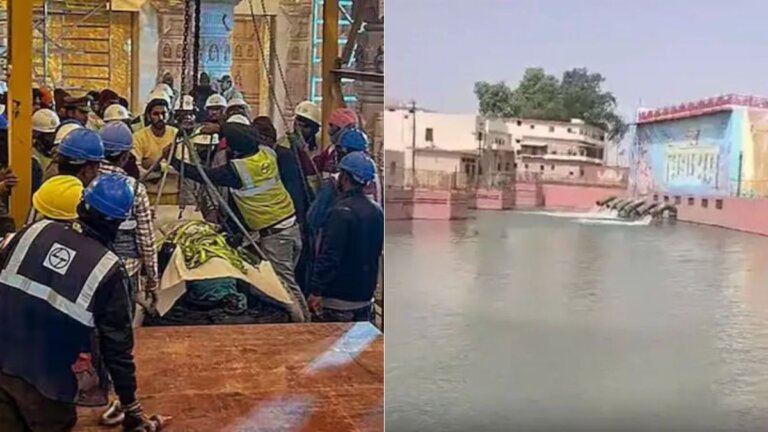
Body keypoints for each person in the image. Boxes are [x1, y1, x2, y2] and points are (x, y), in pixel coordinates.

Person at [0, 173, 167, 431]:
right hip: (48, 391)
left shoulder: (32, 231)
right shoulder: (108, 270)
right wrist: (130, 405)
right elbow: (117, 349)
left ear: (80, 206)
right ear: (119, 224)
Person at [163, 114, 309, 322]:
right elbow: (247, 134)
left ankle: (304, 326)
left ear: (236, 149)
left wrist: (176, 163)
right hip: (287, 226)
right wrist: (216, 128)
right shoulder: (267, 153)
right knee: (275, 283)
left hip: (276, 236)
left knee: (284, 286)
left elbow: (204, 175)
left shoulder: (240, 170)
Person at [308, 152, 383, 322]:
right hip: (365, 297)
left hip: (338, 300)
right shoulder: (377, 211)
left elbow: (330, 256)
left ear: (345, 177)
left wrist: (315, 290)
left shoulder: (340, 212)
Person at [100, 122, 159, 308]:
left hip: (89, 267)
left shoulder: (86, 181)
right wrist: (152, 280)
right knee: (120, 326)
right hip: (125, 270)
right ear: (126, 156)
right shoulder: (134, 189)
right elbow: (146, 240)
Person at [254, 116, 313, 294]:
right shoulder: (264, 157)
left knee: (287, 280)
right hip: (275, 224)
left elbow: (295, 191)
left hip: (286, 226)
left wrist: (299, 222)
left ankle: (300, 318)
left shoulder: (284, 157)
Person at [31, 108, 61, 194]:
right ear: (36, 134)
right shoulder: (32, 158)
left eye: (54, 134)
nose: (52, 138)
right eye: (48, 135)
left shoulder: (57, 153)